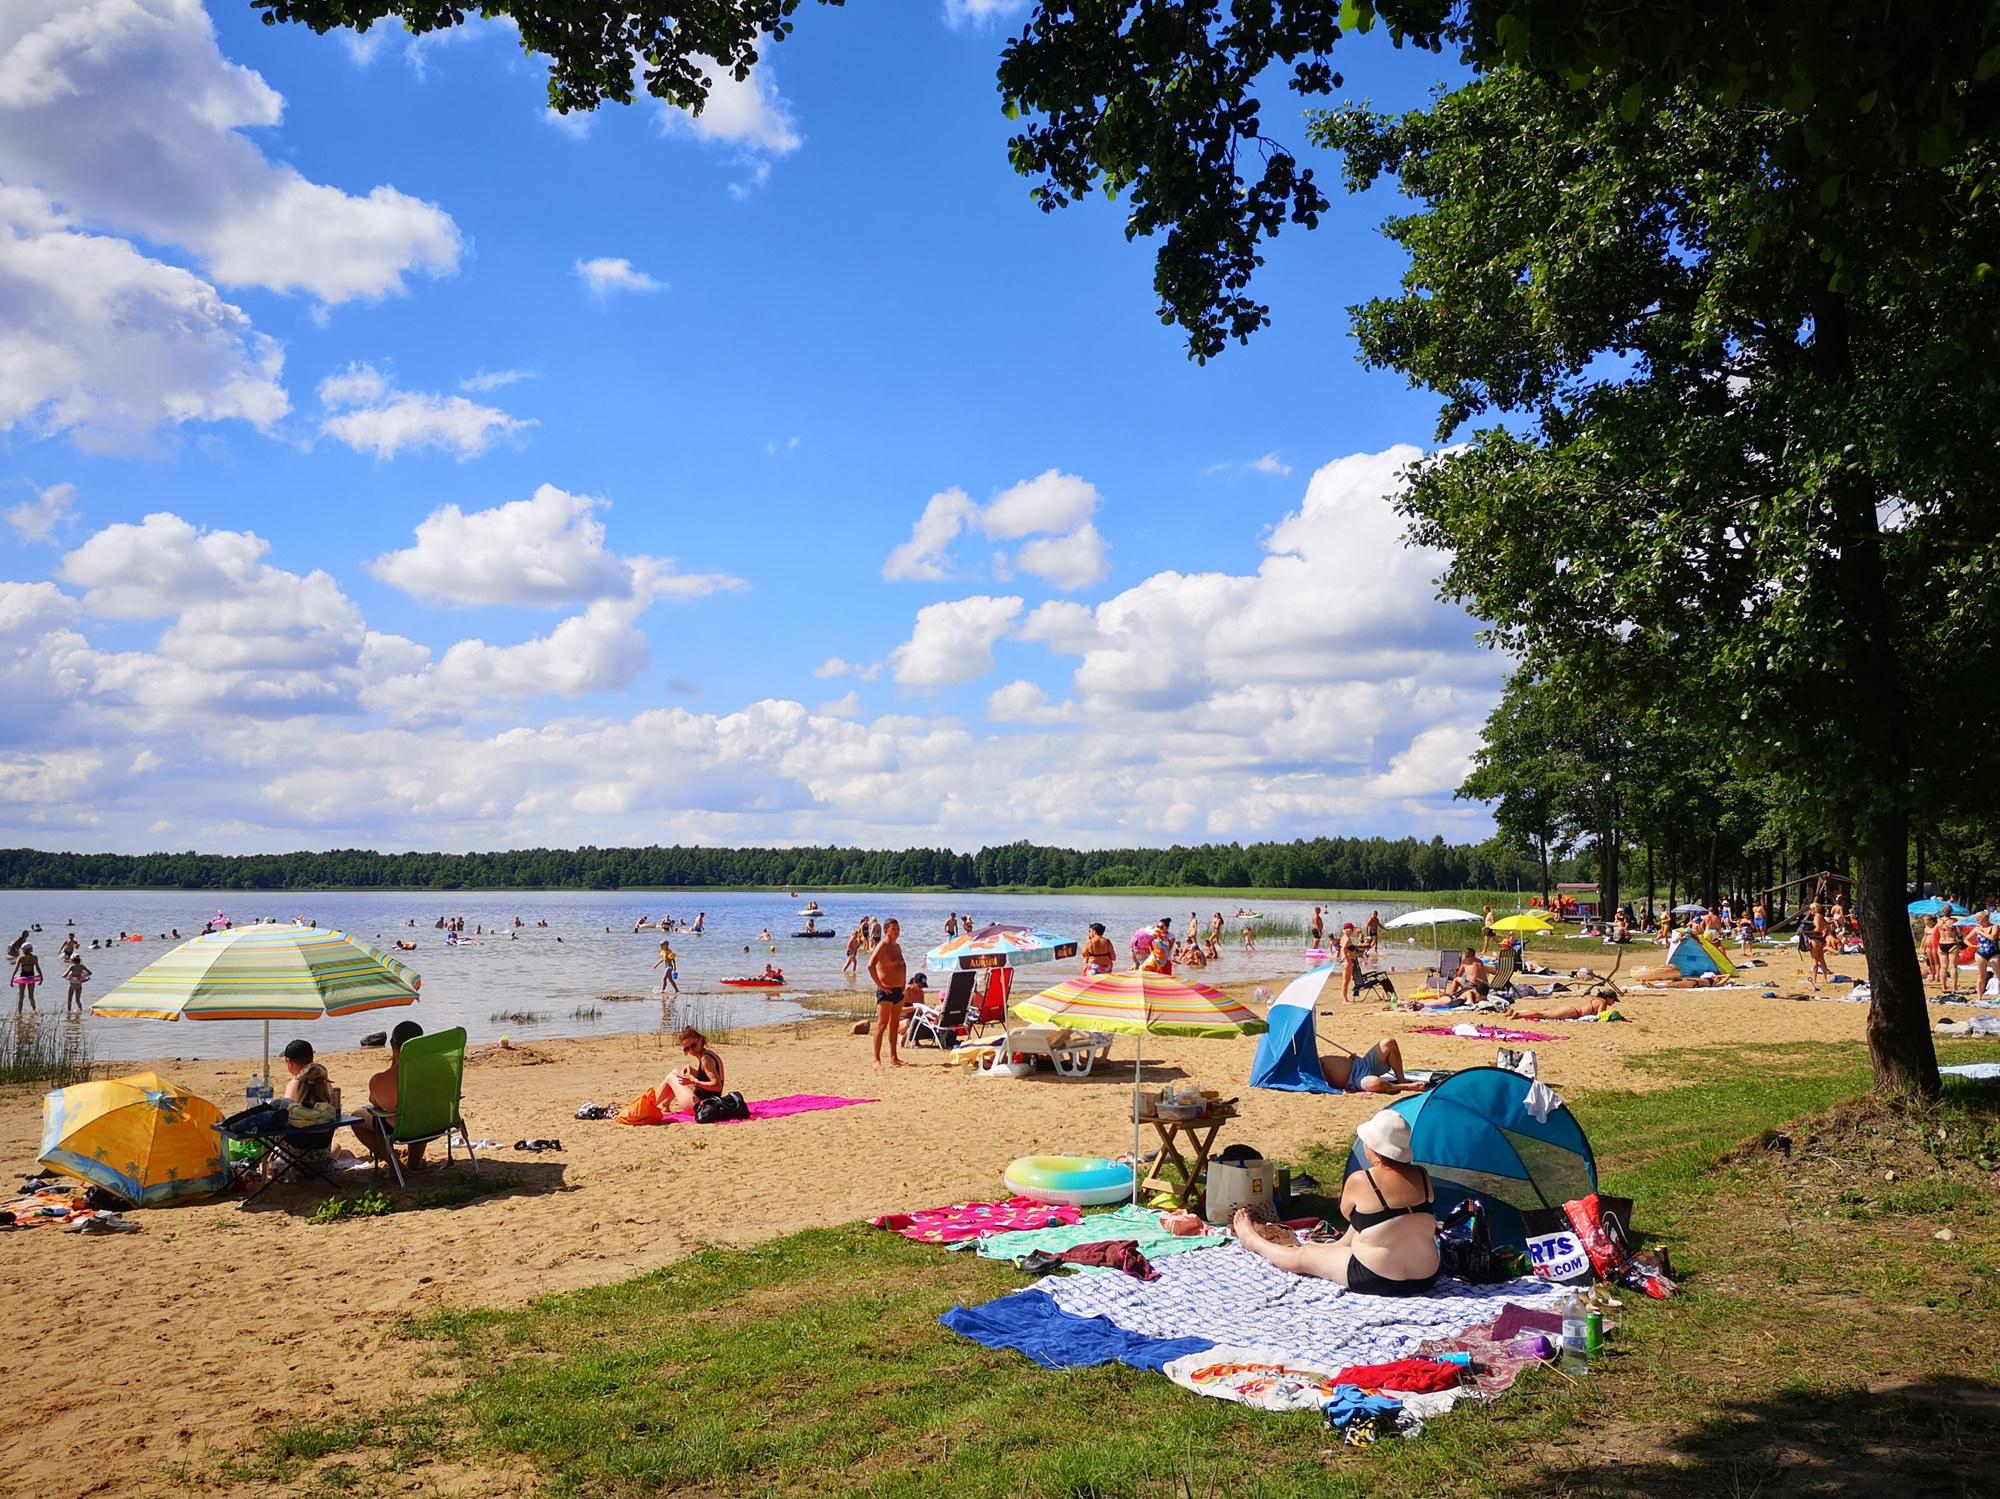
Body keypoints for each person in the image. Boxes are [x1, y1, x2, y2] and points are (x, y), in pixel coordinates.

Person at [1233, 1111, 1438, 1295]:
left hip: (1376, 1276)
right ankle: (1336, 1247)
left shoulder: (1362, 1180)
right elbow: (1369, 1221)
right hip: (1427, 1276)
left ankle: (1251, 1239)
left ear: (1373, 1148)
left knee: (1304, 1255)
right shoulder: (1422, 1176)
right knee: (1379, 1217)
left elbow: (1349, 1214)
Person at [352, 1021, 426, 1169]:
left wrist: (394, 1063)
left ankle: (395, 1165)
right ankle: (413, 1163)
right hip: (437, 1122)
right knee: (418, 1113)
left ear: (393, 1044)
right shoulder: (441, 1068)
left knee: (356, 1118)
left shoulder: (382, 1079)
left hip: (406, 1128)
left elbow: (376, 1104)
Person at [868, 917, 907, 1068]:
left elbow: (902, 965)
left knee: (894, 1025)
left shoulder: (897, 947)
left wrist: (903, 984)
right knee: (882, 1024)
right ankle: (876, 1059)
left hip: (898, 990)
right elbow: (870, 966)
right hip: (886, 991)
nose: (896, 932)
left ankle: (894, 1057)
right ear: (886, 931)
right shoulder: (882, 945)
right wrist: (880, 984)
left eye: (898, 929)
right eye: (893, 930)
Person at [1320, 1037, 1421, 1094]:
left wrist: (1349, 1059)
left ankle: (1401, 1079)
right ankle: (1404, 1086)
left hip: (1361, 1063)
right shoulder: (1309, 1072)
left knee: (1389, 1043)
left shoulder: (1315, 1060)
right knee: (1375, 1083)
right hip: (1356, 1080)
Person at [663, 1026, 726, 1112]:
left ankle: (650, 1105)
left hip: (702, 1106)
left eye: (693, 1045)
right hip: (706, 1101)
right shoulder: (708, 1054)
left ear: (700, 1040)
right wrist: (692, 1071)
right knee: (675, 1072)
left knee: (671, 1077)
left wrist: (693, 1082)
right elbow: (707, 1077)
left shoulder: (706, 1059)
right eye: (687, 1048)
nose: (692, 1050)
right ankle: (665, 1104)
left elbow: (717, 1086)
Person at [278, 1039, 338, 1123]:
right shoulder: (323, 1081)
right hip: (325, 1131)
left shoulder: (295, 1083)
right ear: (312, 1058)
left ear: (289, 1062)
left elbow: (286, 1112)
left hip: (301, 1131)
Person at [11, 942, 41, 1013]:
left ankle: (19, 1013)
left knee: (21, 996)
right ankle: (34, 1010)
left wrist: (12, 979)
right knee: (31, 996)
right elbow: (38, 968)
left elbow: (16, 969)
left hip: (23, 977)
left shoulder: (20, 957)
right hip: (31, 977)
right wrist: (41, 977)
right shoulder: (34, 957)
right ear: (30, 949)